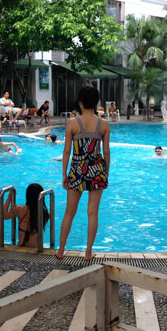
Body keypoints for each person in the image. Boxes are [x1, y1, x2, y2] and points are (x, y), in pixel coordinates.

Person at [55, 86, 110, 261]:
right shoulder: (103, 124)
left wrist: (64, 174)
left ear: (80, 102)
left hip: (77, 169)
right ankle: (88, 253)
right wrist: (106, 174)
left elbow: (66, 151)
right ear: (96, 103)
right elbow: (106, 152)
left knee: (69, 213)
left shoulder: (72, 123)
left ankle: (61, 251)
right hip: (97, 169)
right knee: (92, 213)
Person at [3, 183, 50, 247]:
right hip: (38, 248)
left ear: (27, 196)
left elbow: (3, 215)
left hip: (22, 248)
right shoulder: (45, 214)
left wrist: (10, 197)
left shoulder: (21, 210)